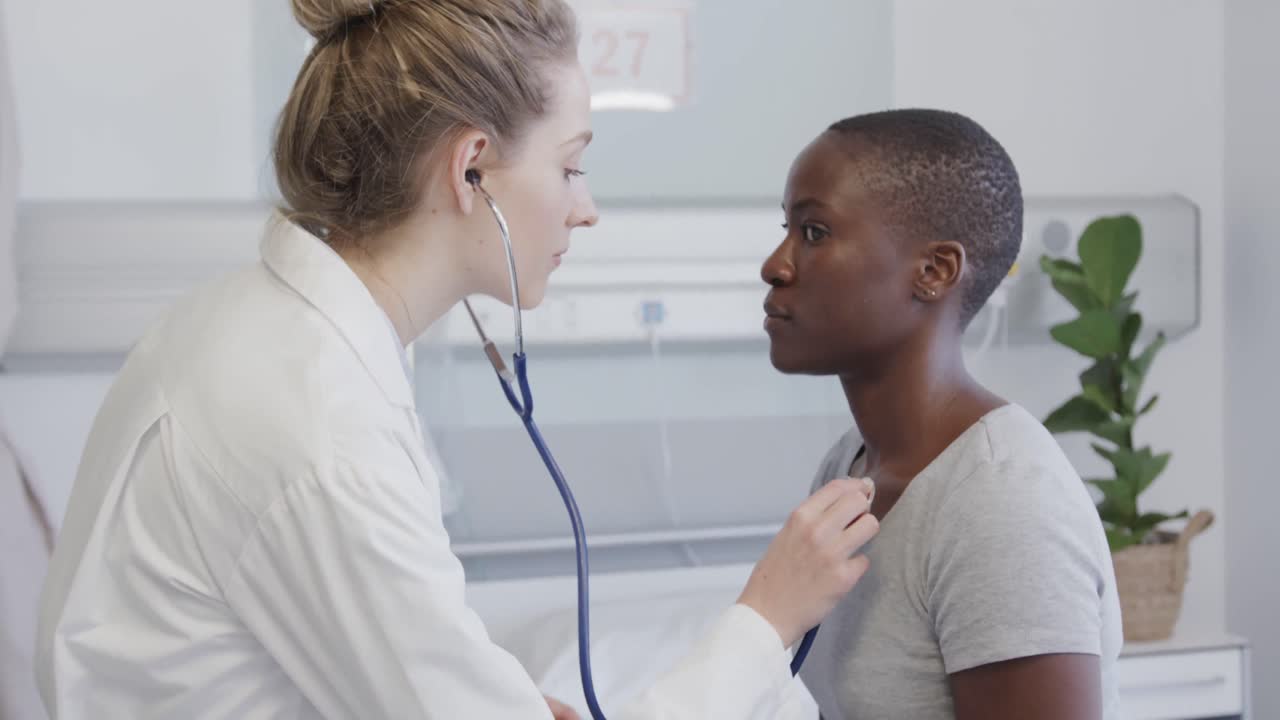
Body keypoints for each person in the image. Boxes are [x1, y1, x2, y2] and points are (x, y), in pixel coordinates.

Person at [34, 1, 880, 718]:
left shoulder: (256, 324)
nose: (586, 210)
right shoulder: (319, 431)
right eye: (572, 166)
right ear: (471, 168)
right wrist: (764, 625)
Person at [763, 109, 1123, 719]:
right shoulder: (849, 468)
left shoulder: (1000, 505)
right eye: (787, 229)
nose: (777, 264)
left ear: (934, 272)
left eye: (815, 232)